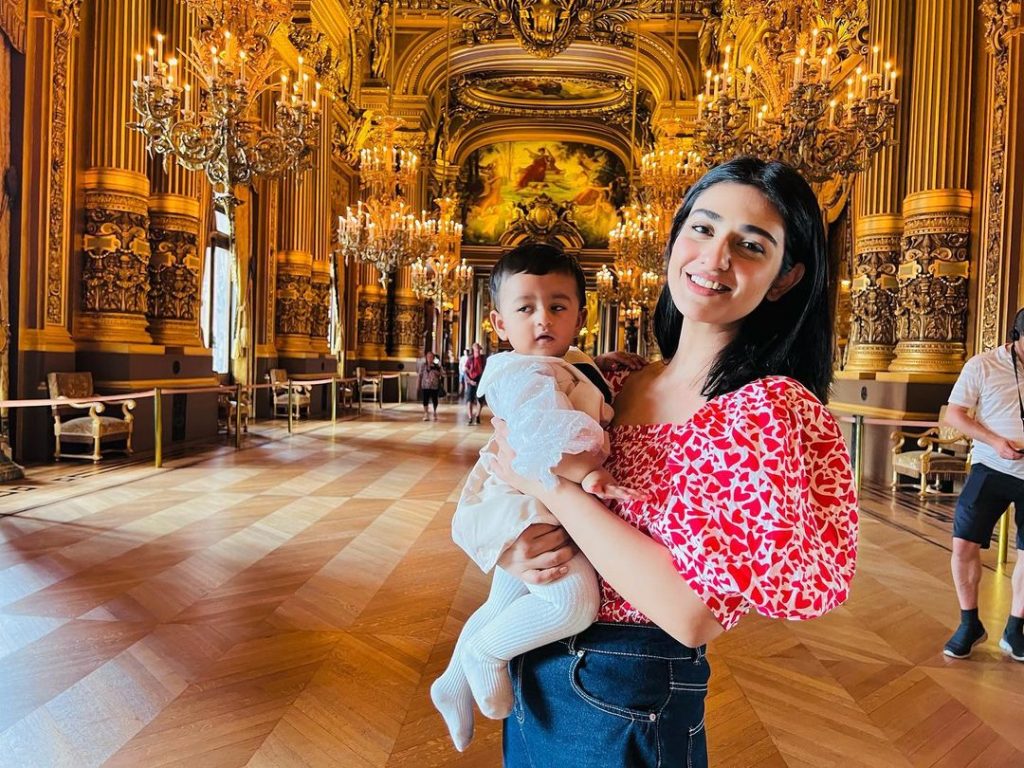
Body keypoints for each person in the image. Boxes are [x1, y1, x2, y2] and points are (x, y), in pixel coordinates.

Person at [489, 157, 859, 767]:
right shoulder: (612, 380)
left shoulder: (762, 411)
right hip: (534, 658)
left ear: (785, 277)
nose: (715, 260)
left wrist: (554, 488)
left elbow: (691, 614)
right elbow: (505, 468)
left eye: (751, 245)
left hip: (625, 688)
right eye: (703, 228)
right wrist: (513, 547)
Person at [430, 244, 640, 751]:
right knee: (572, 604)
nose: (542, 319)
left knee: (506, 599)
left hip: (533, 498)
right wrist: (590, 474)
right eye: (526, 309)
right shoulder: (522, 372)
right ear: (500, 323)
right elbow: (542, 435)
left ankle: (453, 681)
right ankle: (483, 653)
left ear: (581, 316)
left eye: (558, 306)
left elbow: (580, 386)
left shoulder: (564, 362)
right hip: (528, 502)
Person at [940, 308, 1024, 662]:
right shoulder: (983, 365)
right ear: (1017, 336)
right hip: (991, 466)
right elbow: (955, 414)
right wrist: (994, 441)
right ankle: (969, 623)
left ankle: (1015, 628)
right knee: (963, 544)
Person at [418, 350, 444, 421]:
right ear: (426, 357)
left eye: (431, 357)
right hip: (425, 385)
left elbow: (442, 373)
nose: (429, 358)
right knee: (425, 400)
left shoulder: (437, 365)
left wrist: (437, 371)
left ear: (433, 358)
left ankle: (435, 412)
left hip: (434, 386)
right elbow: (420, 375)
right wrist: (418, 385)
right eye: (428, 357)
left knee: (434, 400)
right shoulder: (423, 365)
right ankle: (426, 413)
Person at [465, 342, 486, 425]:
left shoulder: (483, 358)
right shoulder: (470, 359)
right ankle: (470, 418)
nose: (477, 349)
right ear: (473, 349)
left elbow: (485, 370)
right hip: (471, 380)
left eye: (478, 348)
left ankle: (477, 416)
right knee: (469, 400)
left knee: (480, 400)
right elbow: (465, 370)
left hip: (480, 380)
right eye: (475, 348)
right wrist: (470, 380)